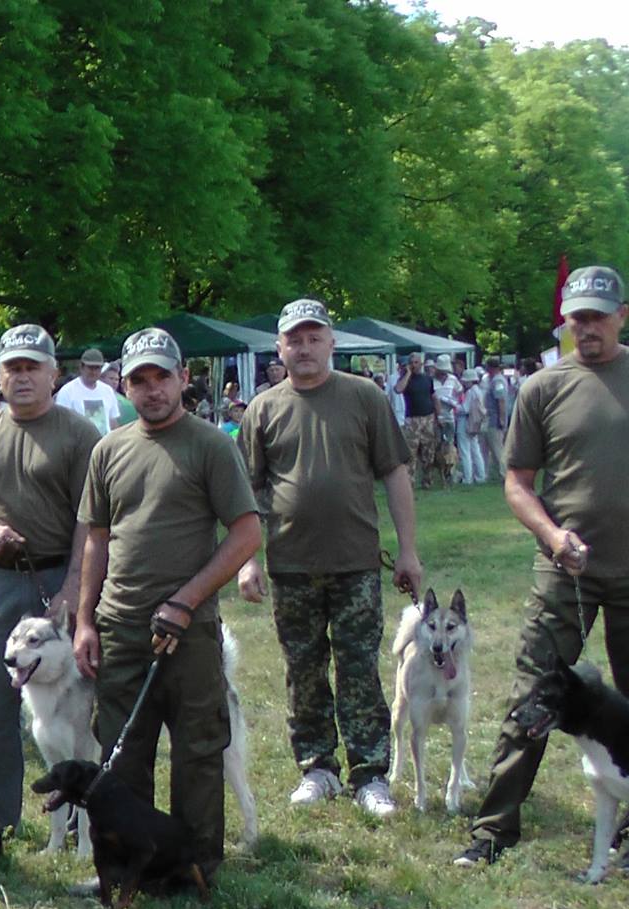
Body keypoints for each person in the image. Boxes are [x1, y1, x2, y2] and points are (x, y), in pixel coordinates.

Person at [457, 265, 629, 867]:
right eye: (577, 317)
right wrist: (554, 536)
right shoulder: (543, 388)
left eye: (597, 316)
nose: (587, 327)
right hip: (566, 572)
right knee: (532, 697)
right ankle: (493, 832)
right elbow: (517, 483)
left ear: (621, 315)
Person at [74, 327, 261, 880]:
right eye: (139, 379)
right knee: (122, 754)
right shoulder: (108, 448)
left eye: (162, 377)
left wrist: (186, 599)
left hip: (190, 627)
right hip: (121, 625)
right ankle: (130, 866)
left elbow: (247, 534)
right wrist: (85, 621)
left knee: (198, 752)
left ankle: (195, 866)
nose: (152, 390)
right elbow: (97, 539)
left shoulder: (210, 445)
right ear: (123, 385)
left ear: (183, 378)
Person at [237, 297, 422, 819]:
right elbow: (246, 495)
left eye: (315, 337)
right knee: (304, 670)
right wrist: (247, 561)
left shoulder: (365, 397)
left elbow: (395, 475)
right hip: (291, 565)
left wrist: (408, 551)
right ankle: (318, 767)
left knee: (359, 667)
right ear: (280, 347)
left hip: (356, 561)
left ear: (331, 343)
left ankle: (370, 774)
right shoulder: (263, 409)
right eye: (295, 339)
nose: (305, 347)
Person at [0, 323, 98, 829]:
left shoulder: (78, 434)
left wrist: (74, 591)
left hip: (61, 577)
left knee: (78, 707)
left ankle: (86, 816)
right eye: (13, 368)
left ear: (53, 373)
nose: (23, 377)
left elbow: (92, 520)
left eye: (33, 367)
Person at [54, 348, 125, 435]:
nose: (94, 372)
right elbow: (61, 425)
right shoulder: (67, 391)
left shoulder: (108, 391)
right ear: (82, 367)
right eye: (90, 368)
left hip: (104, 445)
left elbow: (112, 422)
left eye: (97, 368)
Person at [399, 352, 442, 488]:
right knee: (410, 452)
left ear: (421, 364)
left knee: (428, 452)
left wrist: (439, 416)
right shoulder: (405, 379)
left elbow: (434, 397)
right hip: (412, 419)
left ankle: (427, 480)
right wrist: (407, 374)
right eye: (411, 363)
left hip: (428, 418)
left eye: (416, 362)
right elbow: (398, 389)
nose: (413, 365)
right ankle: (409, 482)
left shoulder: (427, 379)